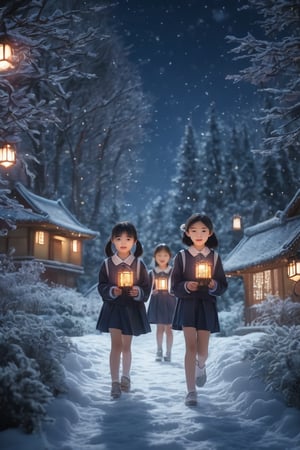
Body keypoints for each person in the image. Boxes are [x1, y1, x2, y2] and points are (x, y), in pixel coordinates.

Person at [171, 213, 228, 407]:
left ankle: (200, 366)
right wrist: (187, 286)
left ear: (210, 233)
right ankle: (191, 391)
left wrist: (213, 284)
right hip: (187, 305)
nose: (198, 234)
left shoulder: (215, 257)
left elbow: (223, 285)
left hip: (206, 306)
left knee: (203, 351)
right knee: (191, 347)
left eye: (203, 230)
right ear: (187, 232)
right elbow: (174, 286)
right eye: (194, 230)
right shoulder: (182, 257)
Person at [96, 221, 151, 399]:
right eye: (119, 238)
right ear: (112, 240)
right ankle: (114, 383)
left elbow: (146, 287)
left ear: (135, 241)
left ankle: (125, 377)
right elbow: (102, 285)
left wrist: (138, 292)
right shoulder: (107, 264)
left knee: (126, 346)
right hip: (113, 308)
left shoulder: (138, 265)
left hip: (131, 309)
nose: (123, 242)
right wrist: (112, 291)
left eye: (128, 238)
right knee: (116, 345)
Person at [147, 244, 176, 362]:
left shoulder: (173, 272)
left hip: (169, 301)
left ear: (170, 257)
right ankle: (159, 350)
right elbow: (148, 288)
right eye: (159, 255)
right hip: (158, 301)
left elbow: (177, 286)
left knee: (169, 328)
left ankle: (169, 352)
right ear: (155, 257)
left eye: (165, 255)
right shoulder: (152, 273)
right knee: (159, 328)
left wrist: (173, 291)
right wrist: (152, 291)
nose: (162, 257)